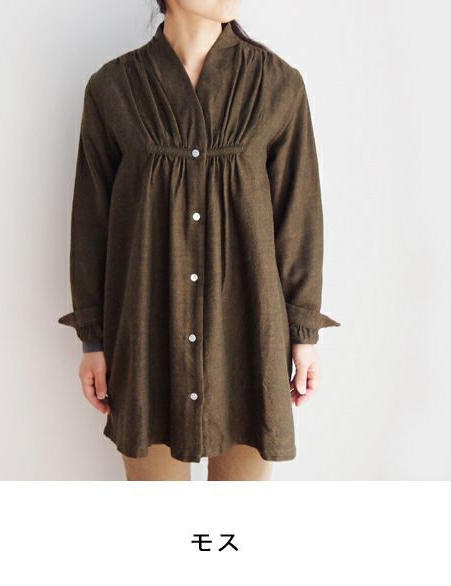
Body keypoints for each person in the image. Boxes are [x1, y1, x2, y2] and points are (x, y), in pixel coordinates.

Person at [58, 0, 340, 481]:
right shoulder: (113, 88)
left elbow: (299, 218)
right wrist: (93, 339)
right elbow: (91, 223)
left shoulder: (276, 85)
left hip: (250, 337)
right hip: (147, 338)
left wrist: (302, 335)